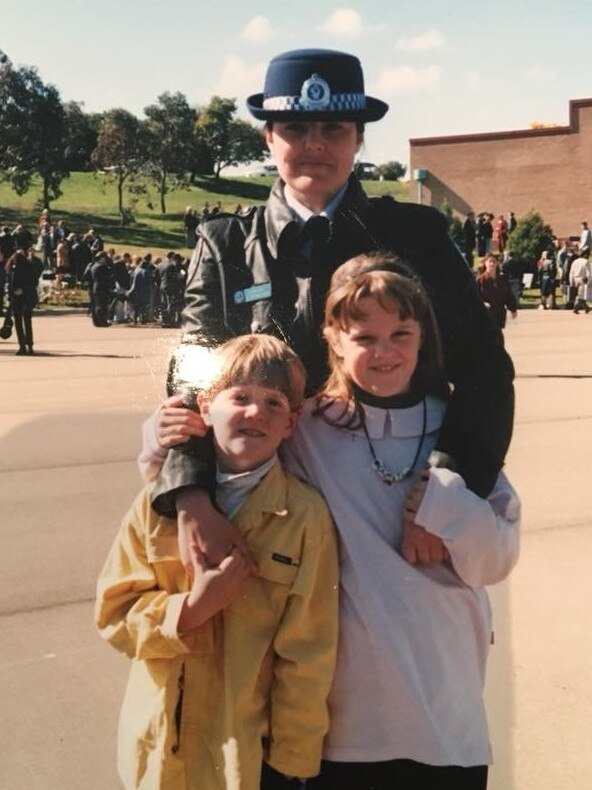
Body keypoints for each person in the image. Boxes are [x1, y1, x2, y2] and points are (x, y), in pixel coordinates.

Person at [142, 256, 520, 790]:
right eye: (364, 336)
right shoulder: (306, 426)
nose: (384, 351)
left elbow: (499, 558)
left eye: (400, 334)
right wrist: (164, 444)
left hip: (444, 711)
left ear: (421, 336)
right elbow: (234, 458)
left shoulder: (456, 432)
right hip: (338, 725)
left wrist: (447, 505)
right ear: (334, 340)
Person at [150, 47, 514, 570]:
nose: (314, 144)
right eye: (295, 128)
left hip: (391, 515)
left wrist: (447, 488)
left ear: (359, 138)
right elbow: (191, 373)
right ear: (268, 137)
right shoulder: (226, 246)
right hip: (258, 518)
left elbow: (484, 367)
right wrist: (189, 495)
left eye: (333, 128)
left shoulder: (417, 238)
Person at [96, 334, 339, 790]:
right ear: (205, 408)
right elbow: (114, 613)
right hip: (162, 755)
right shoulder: (155, 506)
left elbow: (309, 652)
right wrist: (192, 609)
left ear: (292, 423)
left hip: (244, 759)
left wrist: (293, 761)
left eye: (274, 402)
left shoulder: (305, 519)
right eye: (240, 397)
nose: (255, 412)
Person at [5, 249, 42, 354]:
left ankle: (22, 346)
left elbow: (10, 284)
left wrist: (14, 293)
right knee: (27, 322)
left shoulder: (14, 269)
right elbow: (34, 282)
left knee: (18, 323)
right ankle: (29, 346)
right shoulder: (30, 267)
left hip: (18, 299)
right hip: (28, 298)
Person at [476, 253, 518, 328]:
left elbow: (508, 295)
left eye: (494, 261)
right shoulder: (480, 280)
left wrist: (513, 309)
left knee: (498, 337)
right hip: (486, 314)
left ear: (497, 263)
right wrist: (482, 303)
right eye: (490, 261)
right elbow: (474, 296)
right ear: (485, 263)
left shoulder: (502, 279)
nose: (492, 264)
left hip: (499, 314)